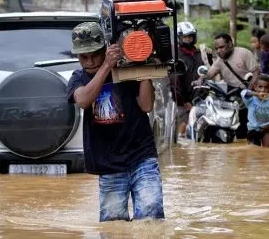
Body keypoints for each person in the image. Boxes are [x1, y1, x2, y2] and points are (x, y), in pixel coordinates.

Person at [67, 22, 164, 222]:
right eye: (85, 57)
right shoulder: (78, 78)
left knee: (151, 216)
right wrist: (106, 67)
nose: (91, 61)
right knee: (113, 224)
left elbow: (146, 106)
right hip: (109, 165)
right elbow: (84, 100)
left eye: (96, 54)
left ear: (105, 49)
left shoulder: (127, 70)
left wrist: (144, 70)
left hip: (141, 157)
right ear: (78, 57)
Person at [193, 33, 260, 138]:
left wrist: (249, 91)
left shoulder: (243, 53)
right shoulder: (219, 61)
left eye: (221, 47)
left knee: (252, 128)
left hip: (249, 93)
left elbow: (256, 73)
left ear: (230, 44)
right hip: (232, 96)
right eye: (217, 48)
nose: (219, 51)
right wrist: (200, 79)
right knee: (234, 128)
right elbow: (209, 74)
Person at [169, 21, 212, 137]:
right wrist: (184, 102)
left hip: (202, 99)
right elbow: (175, 82)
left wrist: (209, 57)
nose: (188, 39)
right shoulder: (176, 57)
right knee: (183, 130)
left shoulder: (200, 53)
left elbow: (208, 72)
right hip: (184, 102)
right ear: (179, 38)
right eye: (185, 37)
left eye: (190, 36)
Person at [241, 74, 269, 147]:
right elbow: (243, 93)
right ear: (255, 87)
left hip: (267, 129)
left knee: (267, 150)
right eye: (260, 87)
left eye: (266, 87)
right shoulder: (251, 99)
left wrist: (267, 126)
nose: (263, 90)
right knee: (254, 152)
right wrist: (257, 94)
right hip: (253, 130)